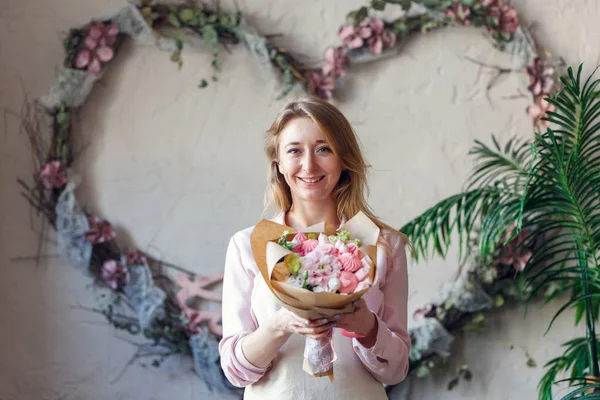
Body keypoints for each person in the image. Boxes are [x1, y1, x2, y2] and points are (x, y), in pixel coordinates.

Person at [218, 96, 410, 399]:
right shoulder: (247, 245)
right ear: (279, 164)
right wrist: (280, 324)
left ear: (343, 158)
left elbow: (396, 370)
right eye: (295, 151)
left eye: (324, 149)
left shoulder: (384, 245)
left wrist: (368, 327)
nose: (309, 165)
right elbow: (234, 371)